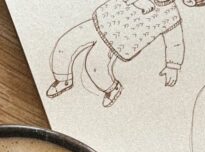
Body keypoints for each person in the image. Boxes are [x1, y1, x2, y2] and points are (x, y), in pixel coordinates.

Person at [47, 0, 192, 107]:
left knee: (95, 67)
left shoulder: (171, 15)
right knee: (65, 45)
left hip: (115, 42)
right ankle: (63, 80)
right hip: (100, 21)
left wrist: (173, 65)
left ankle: (112, 88)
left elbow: (175, 42)